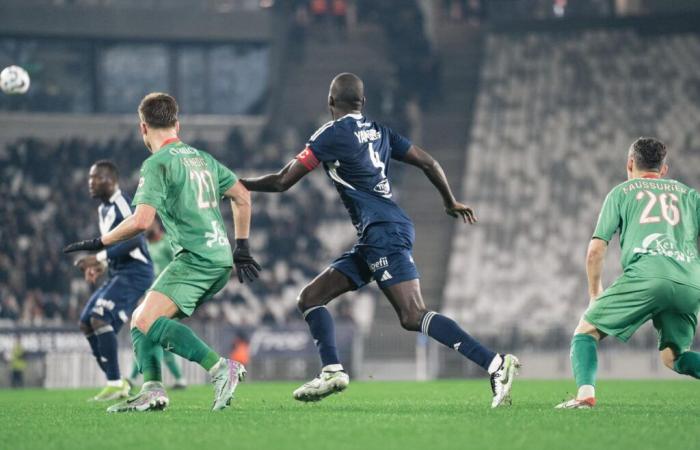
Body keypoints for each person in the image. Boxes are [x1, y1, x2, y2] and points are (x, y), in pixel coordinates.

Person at [241, 73, 519, 408]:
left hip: (382, 231)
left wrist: (238, 184)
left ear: (331, 102)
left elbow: (283, 181)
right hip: (380, 232)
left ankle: (495, 364)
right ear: (363, 103)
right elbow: (429, 161)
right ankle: (332, 370)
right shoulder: (381, 132)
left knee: (412, 315)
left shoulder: (329, 134)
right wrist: (449, 201)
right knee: (310, 298)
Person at [64, 92, 261, 412]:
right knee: (143, 319)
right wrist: (242, 247)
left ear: (143, 128)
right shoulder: (202, 158)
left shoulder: (157, 163)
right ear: (177, 124)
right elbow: (242, 196)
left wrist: (102, 242)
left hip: (195, 258)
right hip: (220, 259)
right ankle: (153, 389)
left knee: (145, 320)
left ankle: (220, 367)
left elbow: (141, 221)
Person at [556, 137, 700, 409]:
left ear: (630, 163)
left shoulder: (623, 192)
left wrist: (594, 293)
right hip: (690, 281)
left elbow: (595, 250)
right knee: (675, 357)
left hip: (648, 275)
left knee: (585, 332)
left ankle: (585, 395)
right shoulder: (690, 195)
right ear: (663, 169)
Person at [74, 160, 154, 401]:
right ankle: (117, 382)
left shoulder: (123, 203)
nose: (91, 182)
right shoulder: (103, 209)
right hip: (119, 271)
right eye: (90, 177)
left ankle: (115, 383)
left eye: (96, 177)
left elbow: (135, 239)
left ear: (111, 180)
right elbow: (115, 242)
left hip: (136, 271)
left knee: (99, 317)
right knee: (85, 322)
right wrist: (101, 265)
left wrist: (97, 256)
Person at [127, 220, 187, 390]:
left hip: (167, 295)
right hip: (149, 296)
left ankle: (132, 379)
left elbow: (179, 264)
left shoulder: (167, 243)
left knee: (158, 335)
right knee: (145, 333)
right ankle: (179, 379)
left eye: (149, 224)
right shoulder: (144, 247)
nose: (145, 228)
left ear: (157, 225)